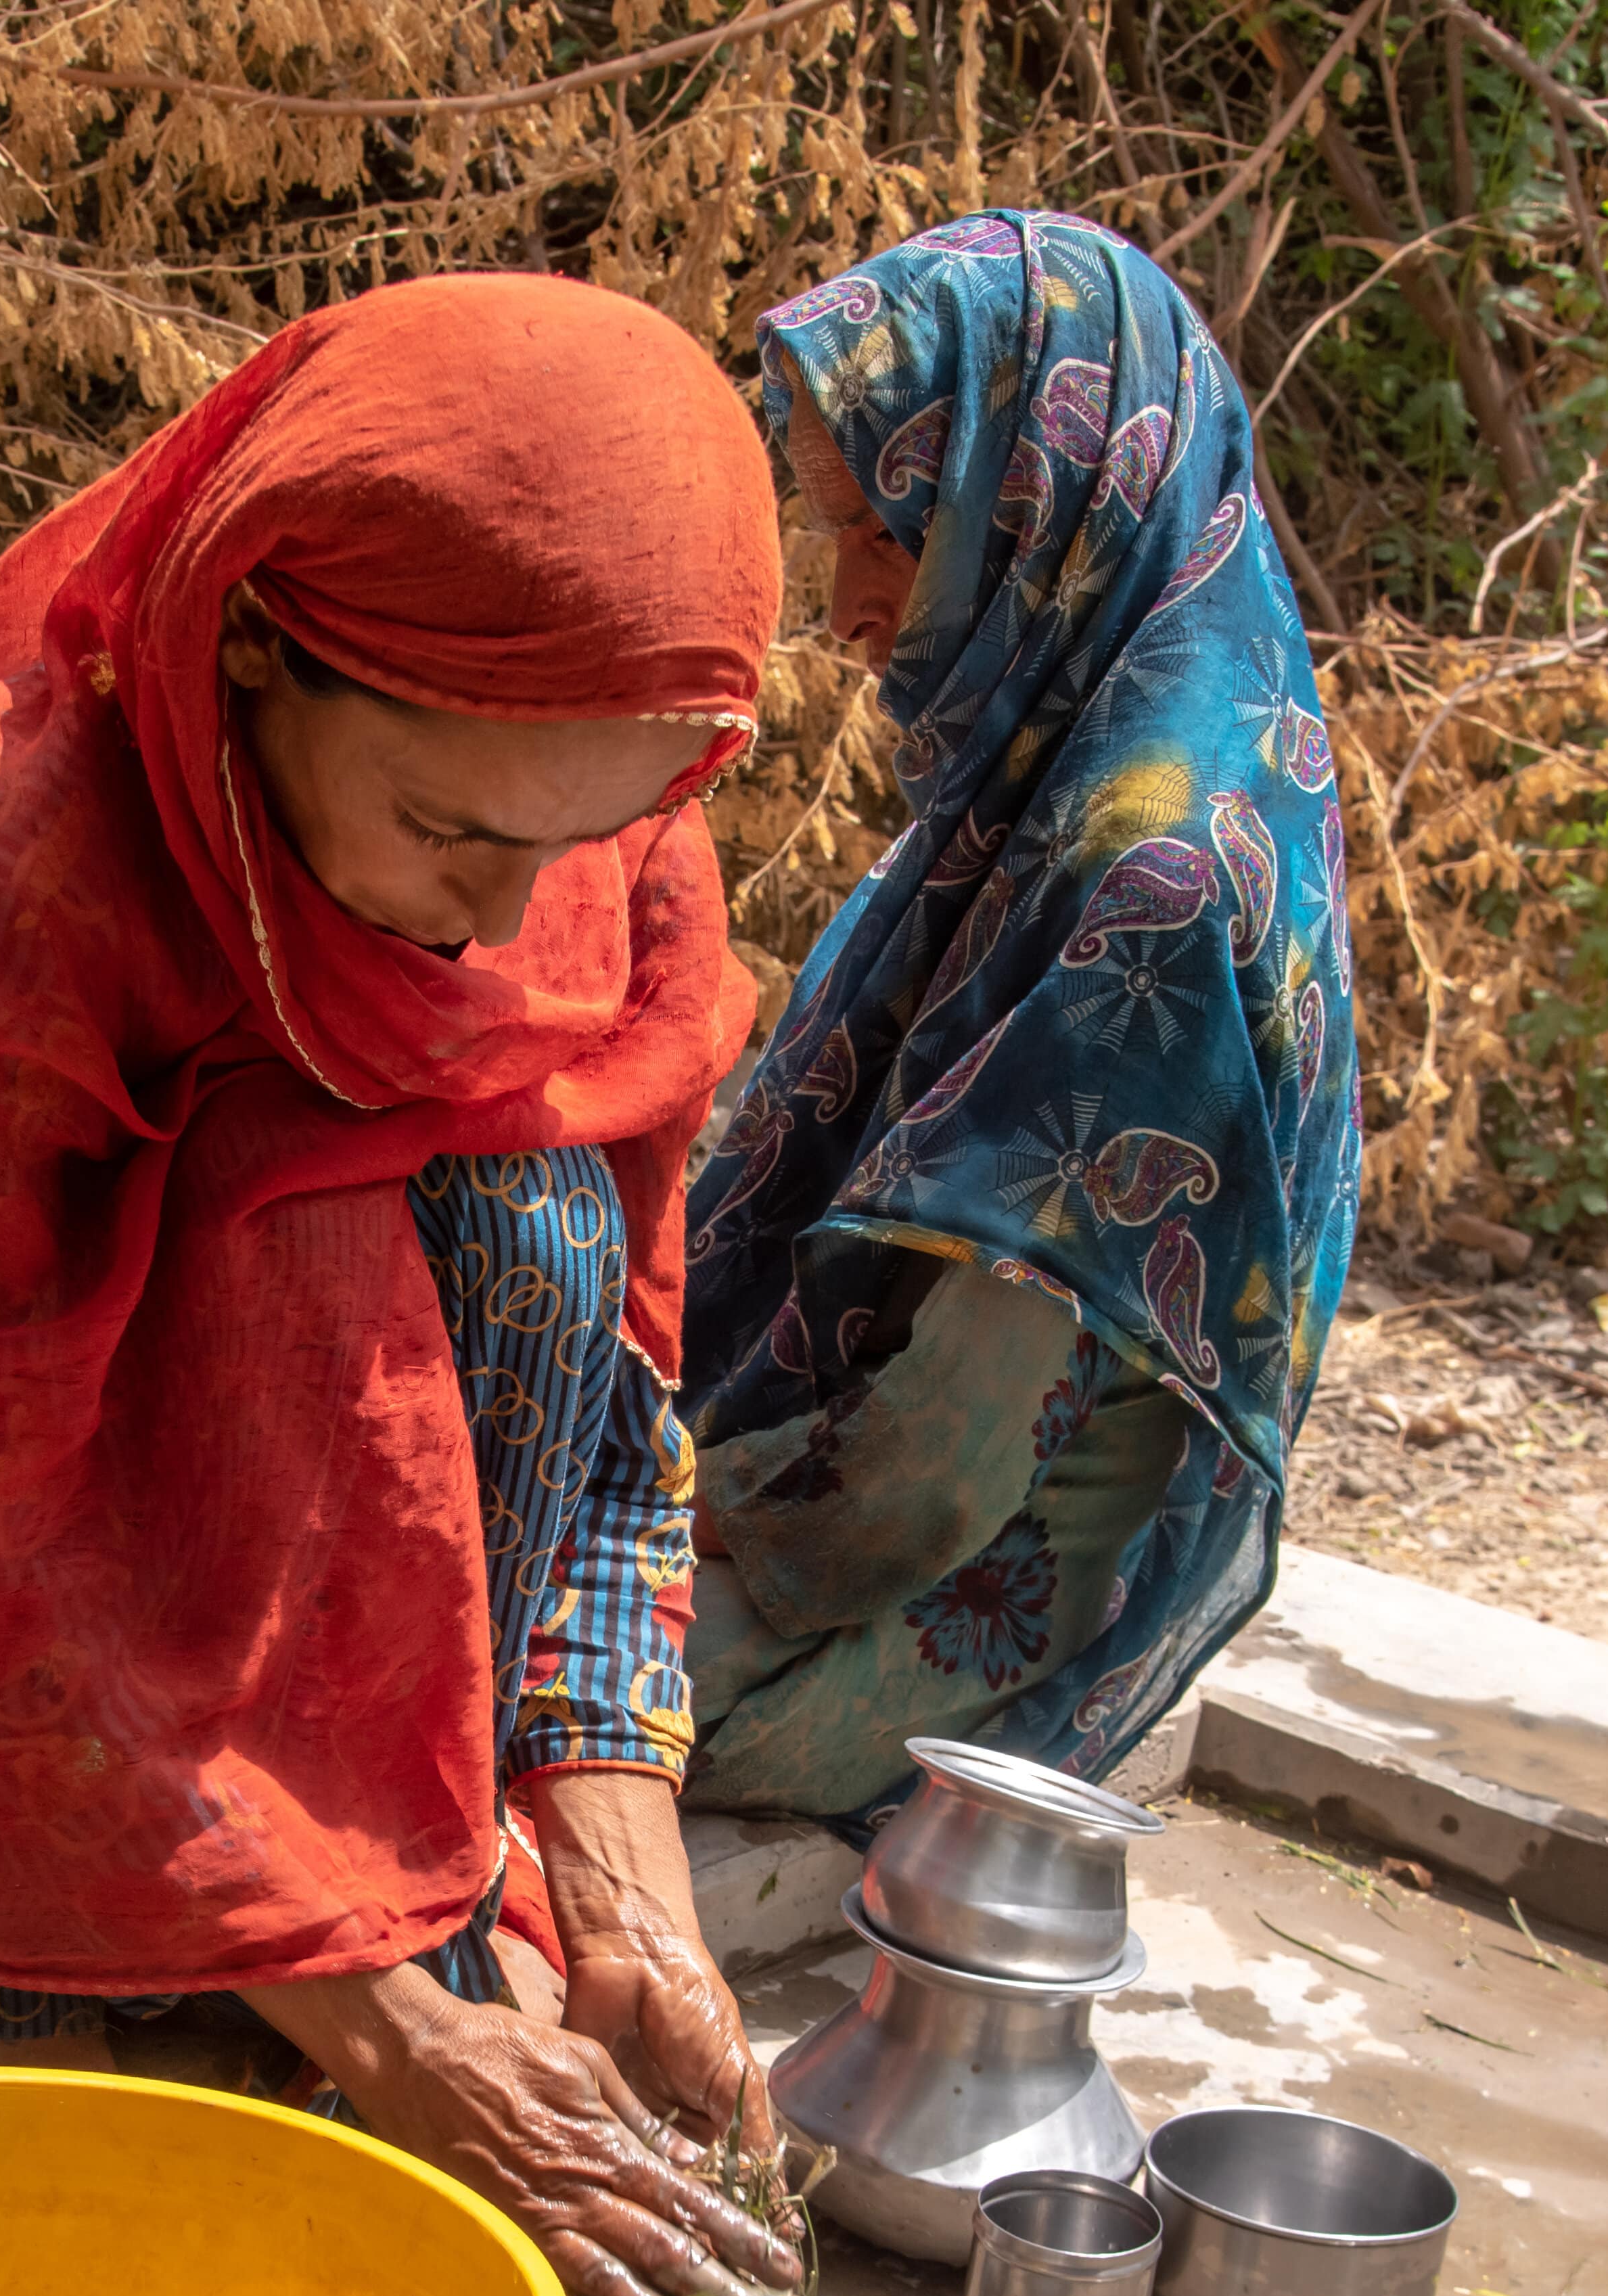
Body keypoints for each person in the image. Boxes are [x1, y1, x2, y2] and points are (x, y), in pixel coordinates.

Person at [0, 271, 801, 2296]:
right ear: (247, 648)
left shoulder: (586, 812)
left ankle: (287, 1917)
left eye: (589, 839)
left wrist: (622, 1886)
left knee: (528, 1223)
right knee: (70, 2218)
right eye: (448, 835)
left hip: (296, 1623)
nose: (508, 920)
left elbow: (607, 1415)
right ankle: (111, 1938)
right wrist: (401, 2043)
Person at [676, 212, 1366, 1820]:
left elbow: (936, 1474)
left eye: (888, 536)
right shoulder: (1094, 730)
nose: (840, 608)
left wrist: (677, 1511)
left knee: (496, 1677)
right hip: (857, 1497)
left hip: (957, 1596)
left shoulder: (1156, 874)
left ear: (1043, 509)